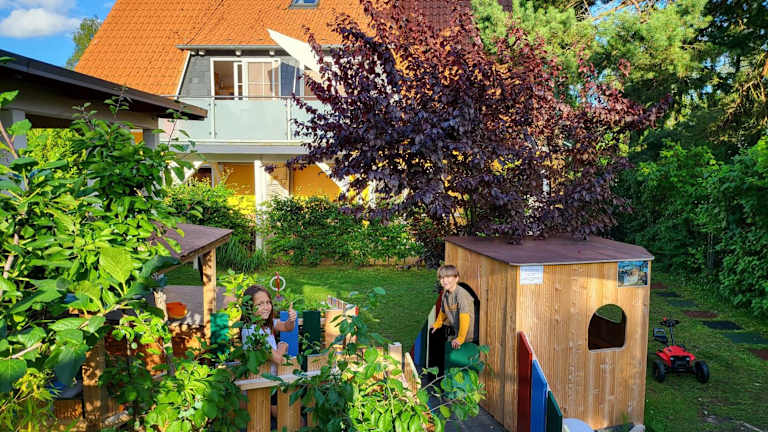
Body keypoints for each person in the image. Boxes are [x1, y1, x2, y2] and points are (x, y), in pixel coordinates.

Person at [430, 265, 477, 349]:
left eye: (448, 277)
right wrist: (437, 323)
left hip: (469, 339)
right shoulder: (445, 294)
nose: (444, 280)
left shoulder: (461, 295)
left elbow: (465, 318)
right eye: (442, 278)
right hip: (458, 336)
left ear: (456, 278)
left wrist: (460, 338)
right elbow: (443, 311)